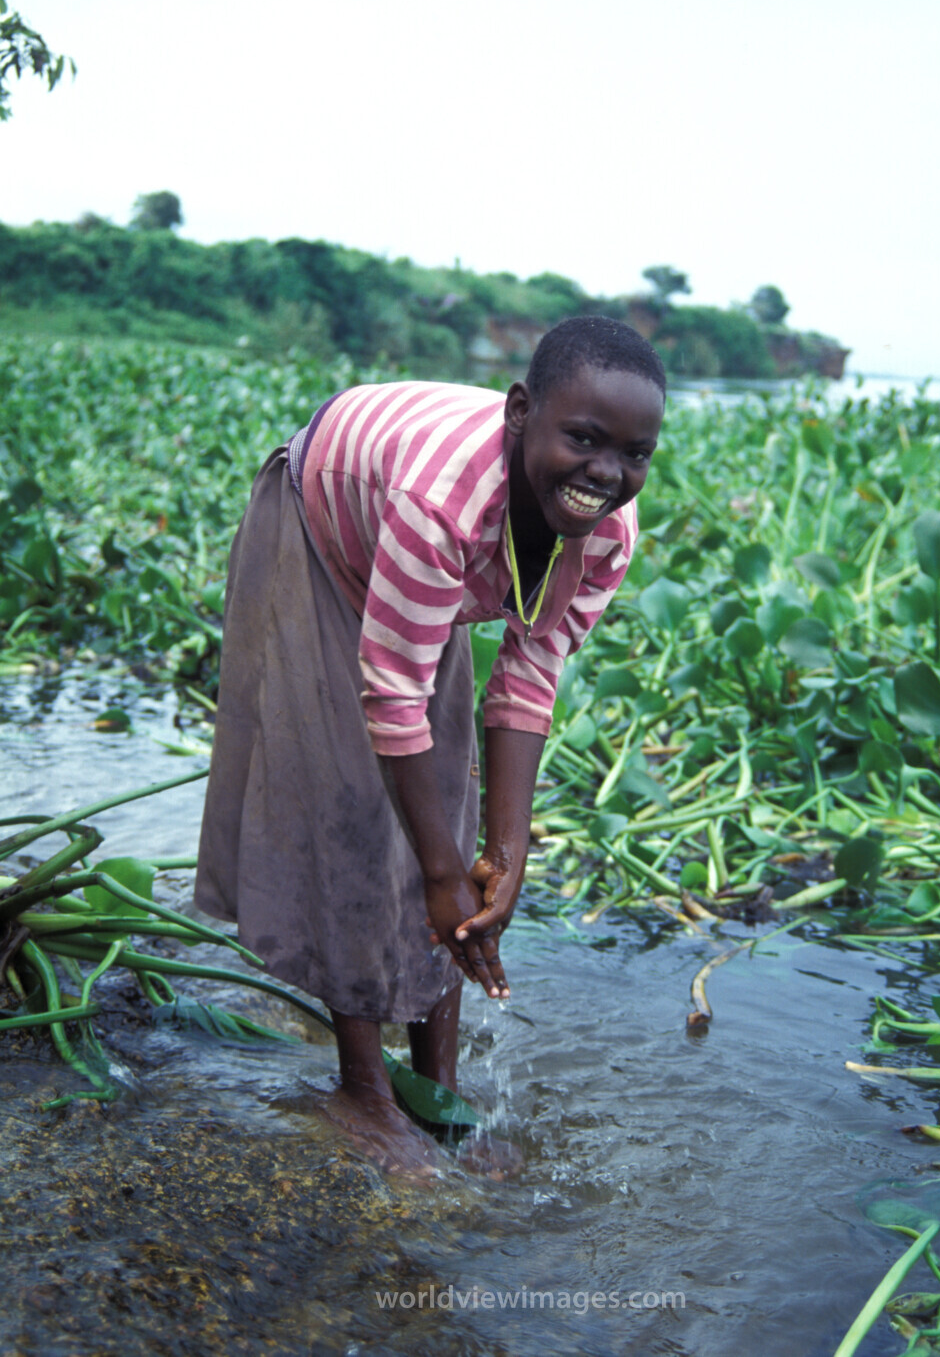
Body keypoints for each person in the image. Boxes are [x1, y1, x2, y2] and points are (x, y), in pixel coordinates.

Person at [195, 314, 666, 1172]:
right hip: (323, 531)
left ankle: (440, 1093)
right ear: (521, 411)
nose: (607, 472)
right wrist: (442, 875)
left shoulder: (607, 533)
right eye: (586, 439)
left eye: (634, 454)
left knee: (449, 804)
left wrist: (501, 855)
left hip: (419, 564)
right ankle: (363, 1092)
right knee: (352, 809)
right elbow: (392, 694)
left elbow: (527, 678)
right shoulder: (440, 500)